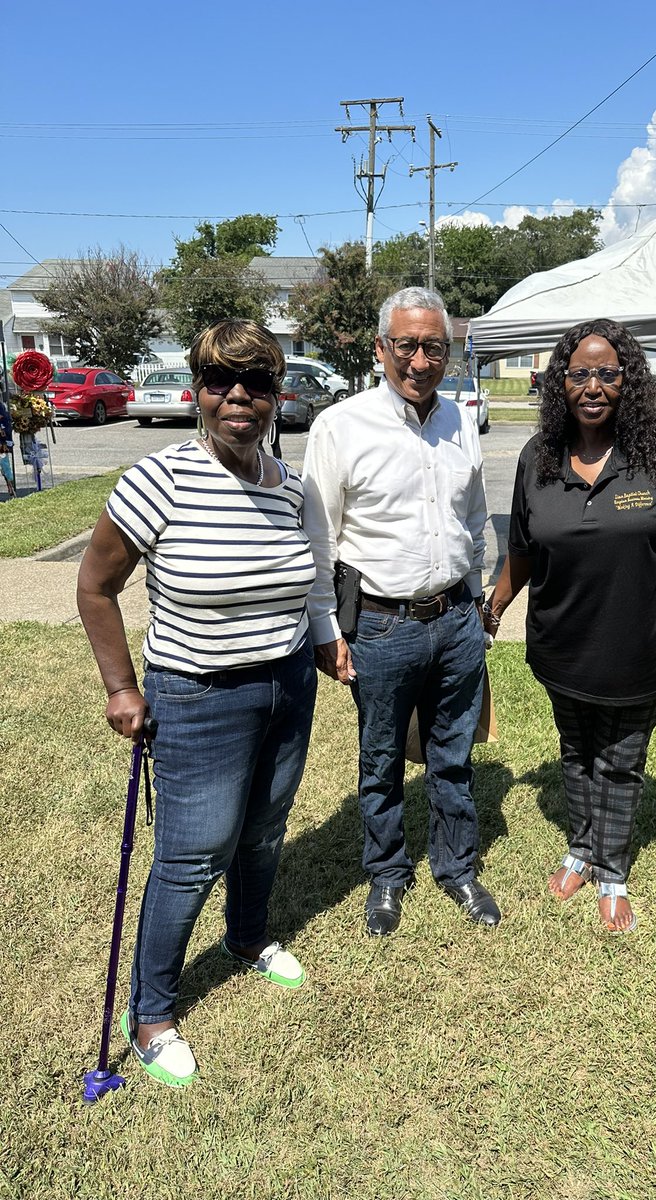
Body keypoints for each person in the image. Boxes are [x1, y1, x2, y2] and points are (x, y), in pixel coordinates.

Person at [76, 319, 318, 1088]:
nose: (239, 397)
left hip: (286, 685)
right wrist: (121, 686)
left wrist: (322, 649)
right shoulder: (161, 480)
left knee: (265, 829)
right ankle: (149, 1013)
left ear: (277, 397)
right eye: (221, 382)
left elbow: (307, 588)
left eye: (256, 384)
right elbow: (95, 586)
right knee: (191, 855)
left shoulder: (292, 486)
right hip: (197, 694)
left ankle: (246, 939)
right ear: (199, 392)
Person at [482, 319, 656, 932]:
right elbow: (524, 550)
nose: (592, 385)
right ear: (561, 383)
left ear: (627, 381)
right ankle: (581, 848)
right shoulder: (539, 458)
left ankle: (611, 870)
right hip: (563, 644)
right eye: (579, 373)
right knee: (577, 750)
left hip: (640, 644)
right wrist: (495, 605)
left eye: (607, 373)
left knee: (620, 758)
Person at [301, 286, 500, 937]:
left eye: (433, 347)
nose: (420, 359)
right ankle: (387, 876)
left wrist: (476, 599)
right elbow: (318, 538)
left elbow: (471, 517)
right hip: (381, 628)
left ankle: (457, 868)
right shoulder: (341, 425)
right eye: (407, 345)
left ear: (450, 351)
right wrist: (326, 628)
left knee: (452, 755)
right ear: (382, 347)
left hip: (457, 621)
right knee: (381, 759)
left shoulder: (460, 421)